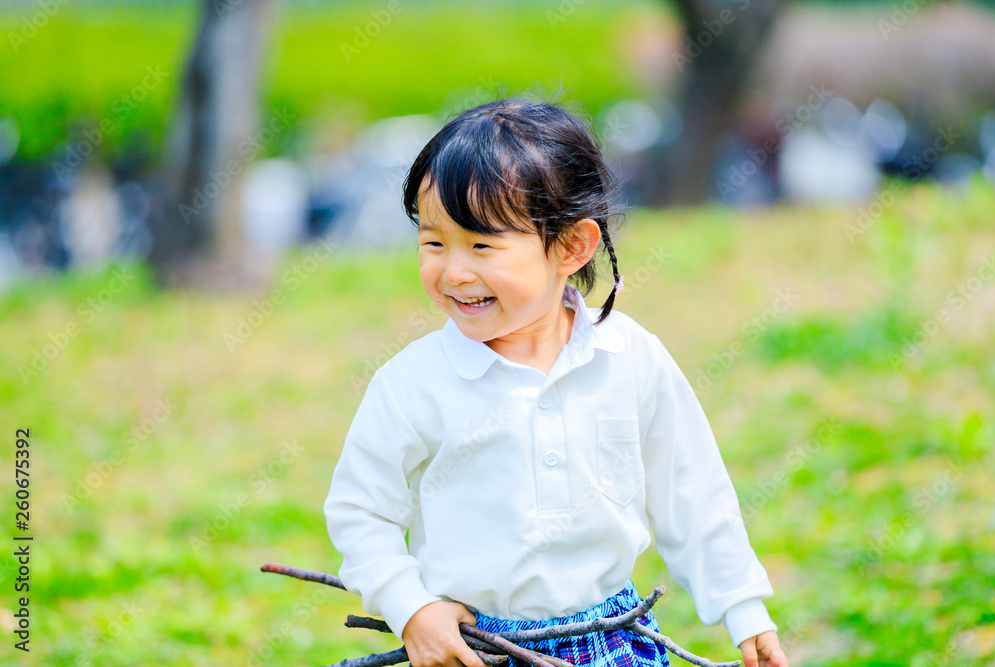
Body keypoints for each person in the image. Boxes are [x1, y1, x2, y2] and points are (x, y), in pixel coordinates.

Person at [324, 97, 789, 667]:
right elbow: (359, 511)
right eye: (433, 242)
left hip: (616, 640)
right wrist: (411, 607)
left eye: (482, 245)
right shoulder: (413, 384)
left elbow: (691, 493)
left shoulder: (629, 357)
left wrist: (743, 606)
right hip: (477, 648)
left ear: (571, 246)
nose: (453, 271)